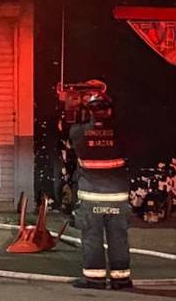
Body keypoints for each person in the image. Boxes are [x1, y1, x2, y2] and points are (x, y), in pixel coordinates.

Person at [68, 90, 133, 290]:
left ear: (89, 112)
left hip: (91, 196)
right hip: (118, 196)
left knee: (92, 237)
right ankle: (121, 279)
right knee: (118, 238)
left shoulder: (77, 132)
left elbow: (73, 146)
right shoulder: (123, 131)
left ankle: (94, 279)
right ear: (110, 111)